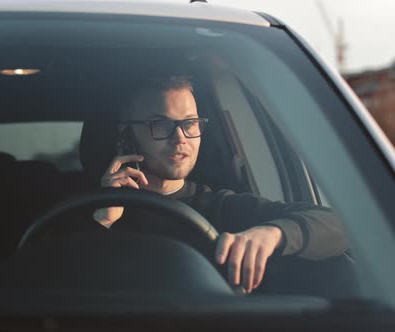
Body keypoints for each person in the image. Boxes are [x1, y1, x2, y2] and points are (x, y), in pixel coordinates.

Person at [92, 76, 348, 294]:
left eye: (190, 124)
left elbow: (341, 226)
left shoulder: (222, 207)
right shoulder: (83, 211)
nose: (180, 137)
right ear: (127, 133)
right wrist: (100, 222)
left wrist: (273, 234)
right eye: (161, 124)